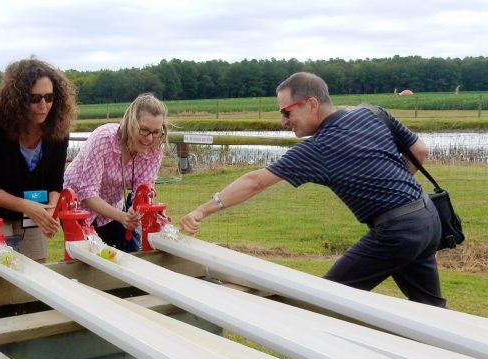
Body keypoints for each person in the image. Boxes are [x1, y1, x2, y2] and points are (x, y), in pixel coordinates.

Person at [180, 72, 446, 307]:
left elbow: (255, 181)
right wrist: (394, 190)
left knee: (324, 303)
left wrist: (202, 211)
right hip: (428, 216)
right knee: (431, 310)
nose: (283, 121)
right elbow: (420, 150)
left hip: (397, 231)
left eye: (286, 112)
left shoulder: (318, 147)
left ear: (312, 104)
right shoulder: (372, 113)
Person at [0, 57, 77, 261]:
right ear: (17, 99)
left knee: (36, 266)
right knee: (3, 267)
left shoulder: (58, 127)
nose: (43, 105)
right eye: (35, 98)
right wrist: (28, 207)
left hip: (33, 207)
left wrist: (49, 211)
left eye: (49, 97)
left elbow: (55, 181)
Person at [63, 93, 168, 252]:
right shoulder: (104, 138)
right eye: (144, 130)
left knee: (129, 252)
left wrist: (135, 210)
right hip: (77, 205)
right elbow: (87, 193)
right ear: (131, 123)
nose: (149, 138)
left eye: (156, 132)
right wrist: (122, 217)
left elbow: (142, 190)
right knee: (90, 257)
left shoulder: (155, 149)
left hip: (111, 207)